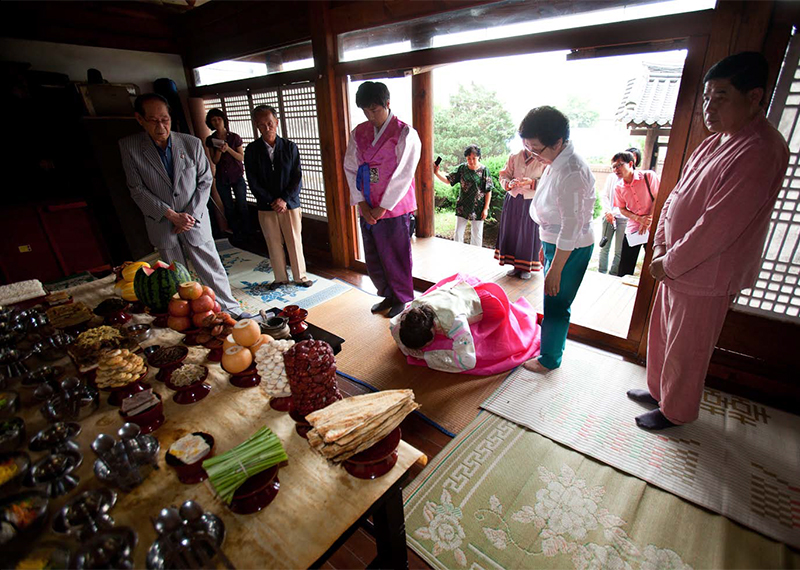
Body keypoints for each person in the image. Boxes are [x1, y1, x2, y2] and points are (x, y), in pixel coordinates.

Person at [629, 52, 789, 430]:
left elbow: (719, 224)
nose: (709, 107)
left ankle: (676, 410)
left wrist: (670, 261)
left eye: (721, 97)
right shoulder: (716, 141)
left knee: (689, 346)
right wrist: (663, 246)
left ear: (754, 98)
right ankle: (658, 390)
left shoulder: (761, 148)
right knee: (663, 330)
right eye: (706, 98)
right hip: (676, 259)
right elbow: (675, 199)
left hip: (707, 270)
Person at [118, 93, 243, 316]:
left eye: (164, 119)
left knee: (211, 268)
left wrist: (189, 215)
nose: (160, 126)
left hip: (194, 219)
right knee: (173, 277)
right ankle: (189, 318)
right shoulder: (130, 147)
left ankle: (230, 310)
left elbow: (205, 180)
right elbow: (136, 189)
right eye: (154, 120)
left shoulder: (191, 143)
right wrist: (171, 215)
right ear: (140, 119)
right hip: (163, 222)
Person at [519, 106, 596, 373]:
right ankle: (550, 350)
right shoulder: (555, 160)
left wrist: (556, 268)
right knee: (552, 300)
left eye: (537, 149)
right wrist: (545, 246)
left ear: (559, 142)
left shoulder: (571, 171)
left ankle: (549, 359)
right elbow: (552, 213)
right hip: (557, 242)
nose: (533, 155)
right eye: (528, 148)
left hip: (571, 247)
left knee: (556, 303)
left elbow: (571, 226)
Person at [344, 81, 421, 318]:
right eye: (365, 111)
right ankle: (387, 293)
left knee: (395, 254)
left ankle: (402, 298)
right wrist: (362, 204)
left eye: (374, 110)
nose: (370, 116)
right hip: (366, 205)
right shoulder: (358, 132)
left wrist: (382, 207)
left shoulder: (405, 133)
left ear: (387, 104)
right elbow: (350, 167)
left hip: (393, 208)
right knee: (375, 255)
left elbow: (404, 174)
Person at [390, 274, 541, 374]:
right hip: (452, 291)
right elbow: (393, 325)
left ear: (432, 332)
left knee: (487, 348)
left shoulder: (455, 321)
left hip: (478, 300)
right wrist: (407, 349)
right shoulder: (412, 311)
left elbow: (467, 361)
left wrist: (425, 356)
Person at [244, 105, 312, 289]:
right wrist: (271, 201)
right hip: (266, 206)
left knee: (294, 240)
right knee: (273, 243)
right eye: (262, 125)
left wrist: (284, 199)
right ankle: (280, 278)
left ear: (276, 122)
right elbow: (252, 180)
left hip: (289, 204)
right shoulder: (251, 150)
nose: (267, 128)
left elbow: (297, 177)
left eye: (270, 123)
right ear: (256, 126)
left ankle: (300, 277)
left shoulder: (290, 147)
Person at [494, 148, 547, 278]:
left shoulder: (543, 159)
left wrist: (532, 183)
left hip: (531, 201)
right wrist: (509, 183)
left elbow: (548, 182)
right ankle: (515, 265)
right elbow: (504, 175)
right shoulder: (515, 156)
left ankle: (526, 267)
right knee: (513, 232)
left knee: (528, 233)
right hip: (513, 199)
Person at [204, 108, 251, 242]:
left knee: (242, 204)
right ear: (210, 123)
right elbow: (214, 160)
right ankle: (236, 233)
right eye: (213, 120)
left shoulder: (234, 137)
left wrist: (228, 149)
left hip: (237, 176)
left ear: (224, 120)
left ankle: (247, 232)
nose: (217, 122)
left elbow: (241, 157)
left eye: (218, 118)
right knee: (228, 206)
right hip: (222, 178)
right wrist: (219, 150)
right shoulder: (210, 139)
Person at [612, 150, 661, 277]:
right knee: (625, 264)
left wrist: (648, 219)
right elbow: (621, 208)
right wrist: (638, 219)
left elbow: (659, 197)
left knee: (654, 261)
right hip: (634, 227)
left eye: (619, 165)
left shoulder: (648, 176)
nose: (616, 169)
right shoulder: (619, 188)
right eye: (613, 167)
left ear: (630, 163)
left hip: (654, 226)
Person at [434, 145, 495, 247]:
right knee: (458, 233)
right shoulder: (462, 168)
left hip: (478, 206)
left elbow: (488, 190)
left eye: (474, 158)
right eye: (468, 158)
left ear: (479, 157)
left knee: (477, 234)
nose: (471, 161)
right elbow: (448, 180)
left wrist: (486, 208)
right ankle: (459, 255)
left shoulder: (484, 170)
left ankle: (475, 257)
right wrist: (436, 173)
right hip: (463, 205)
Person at [597, 147, 640, 276]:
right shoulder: (612, 177)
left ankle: (613, 273)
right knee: (604, 246)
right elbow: (605, 195)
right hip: (608, 216)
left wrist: (614, 213)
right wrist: (607, 212)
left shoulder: (637, 180)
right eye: (615, 165)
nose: (617, 169)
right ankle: (601, 272)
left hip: (624, 218)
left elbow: (629, 204)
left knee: (619, 250)